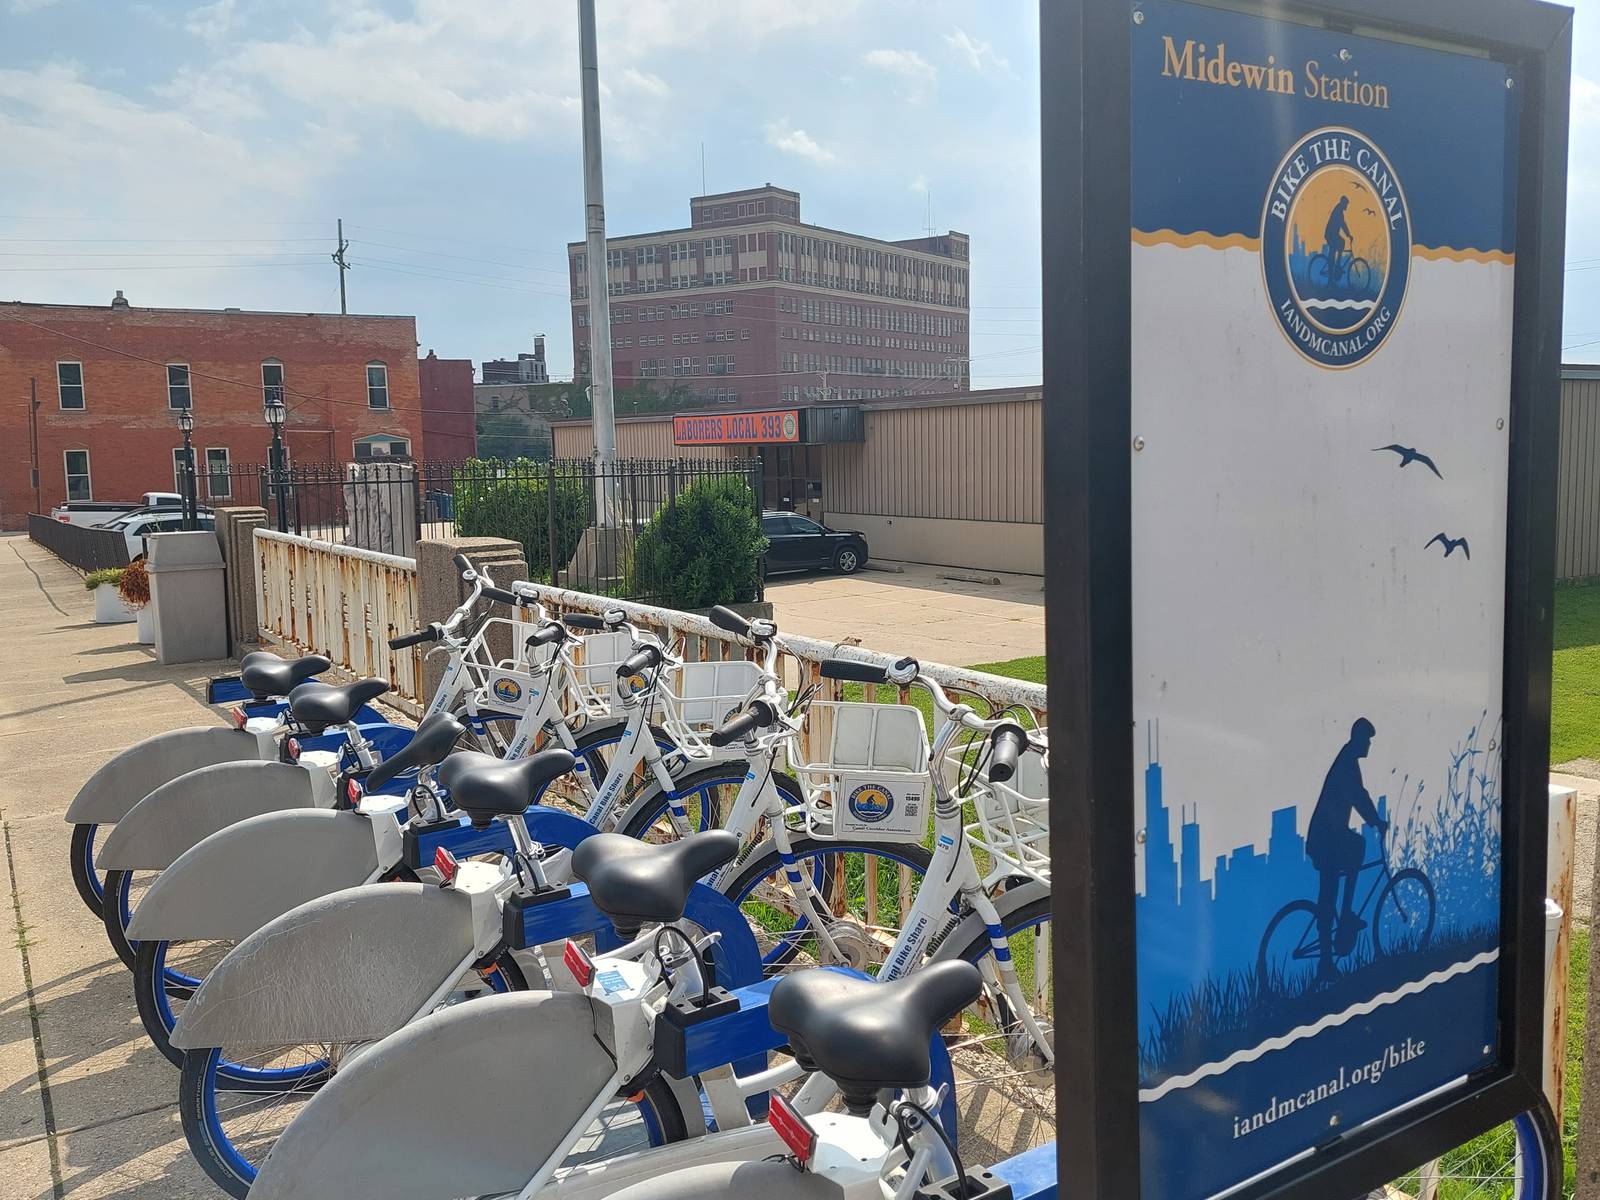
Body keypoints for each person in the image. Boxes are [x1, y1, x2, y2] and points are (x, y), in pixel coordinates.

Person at [1304, 718, 1387, 984]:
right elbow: (1358, 795)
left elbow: (1357, 795)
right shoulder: (1348, 764)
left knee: (1331, 890)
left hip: (1327, 838)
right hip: (1326, 839)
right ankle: (1344, 919)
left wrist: (1373, 819)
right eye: (1368, 741)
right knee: (1330, 893)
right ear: (1359, 739)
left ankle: (1331, 950)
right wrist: (1375, 821)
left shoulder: (1347, 759)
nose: (1370, 746)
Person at [1323, 196, 1354, 276]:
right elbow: (1342, 224)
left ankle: (1337, 266)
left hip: (1333, 234)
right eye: (1346, 204)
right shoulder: (1338, 211)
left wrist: (1348, 234)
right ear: (1343, 203)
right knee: (1333, 251)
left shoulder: (1339, 210)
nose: (1346, 206)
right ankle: (1333, 272)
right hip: (1330, 235)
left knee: (1341, 243)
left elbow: (1342, 224)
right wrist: (1348, 235)